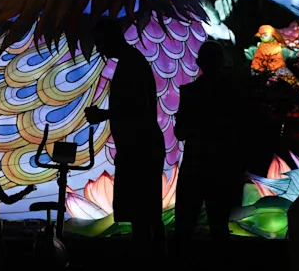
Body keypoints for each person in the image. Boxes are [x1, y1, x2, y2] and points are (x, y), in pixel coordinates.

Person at [85, 17, 166, 259]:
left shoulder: (130, 64)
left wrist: (104, 114)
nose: (99, 49)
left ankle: (148, 257)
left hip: (139, 149)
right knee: (147, 213)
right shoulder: (132, 61)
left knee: (143, 213)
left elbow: (137, 108)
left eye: (100, 42)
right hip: (140, 147)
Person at [173, 40, 245, 254]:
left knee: (184, 227)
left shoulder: (190, 92)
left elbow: (180, 133)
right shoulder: (232, 93)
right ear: (222, 62)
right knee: (219, 227)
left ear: (199, 62)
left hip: (195, 165)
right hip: (222, 166)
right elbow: (238, 131)